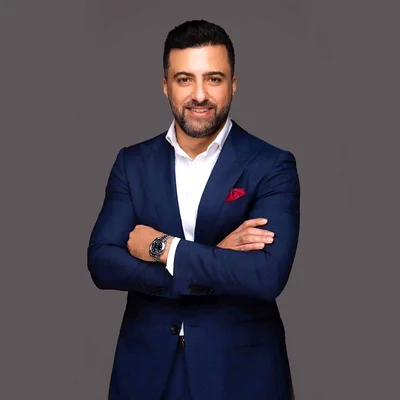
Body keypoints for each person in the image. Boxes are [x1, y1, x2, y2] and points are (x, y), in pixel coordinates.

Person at [87, 19, 300, 400]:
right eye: (184, 79)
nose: (199, 94)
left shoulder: (272, 165)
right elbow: (102, 263)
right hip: (147, 373)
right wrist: (216, 259)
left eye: (214, 79)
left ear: (233, 84)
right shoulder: (132, 163)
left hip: (240, 373)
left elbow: (266, 275)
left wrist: (164, 249)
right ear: (165, 86)